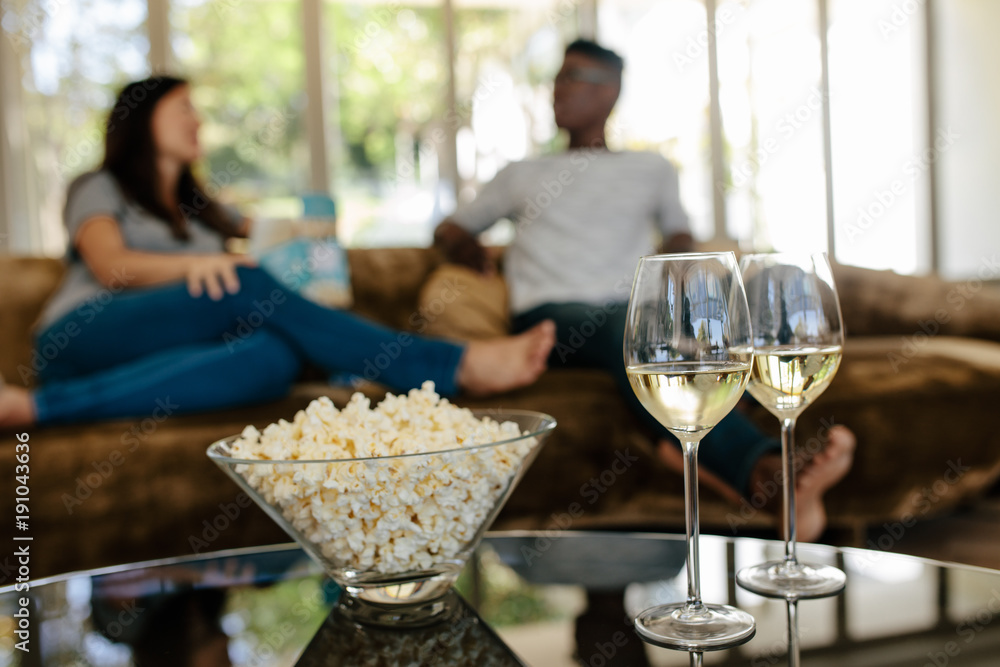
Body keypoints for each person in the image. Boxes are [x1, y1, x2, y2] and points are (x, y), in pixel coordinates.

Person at [434, 39, 855, 543]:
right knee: (638, 335)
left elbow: (680, 233)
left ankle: (695, 447)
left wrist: (683, 265)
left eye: (575, 78)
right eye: (558, 78)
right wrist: (466, 248)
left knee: (765, 288)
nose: (559, 89)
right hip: (554, 318)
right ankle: (769, 473)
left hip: (637, 309)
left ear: (610, 93)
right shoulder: (520, 174)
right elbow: (449, 229)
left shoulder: (651, 169)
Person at [0, 76, 556, 429]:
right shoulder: (99, 185)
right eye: (184, 109)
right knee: (241, 281)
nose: (198, 121)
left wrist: (311, 242)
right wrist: (205, 263)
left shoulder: (205, 210)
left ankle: (39, 409)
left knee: (273, 358)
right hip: (83, 334)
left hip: (170, 347)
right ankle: (452, 364)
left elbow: (293, 230)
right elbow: (111, 264)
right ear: (142, 120)